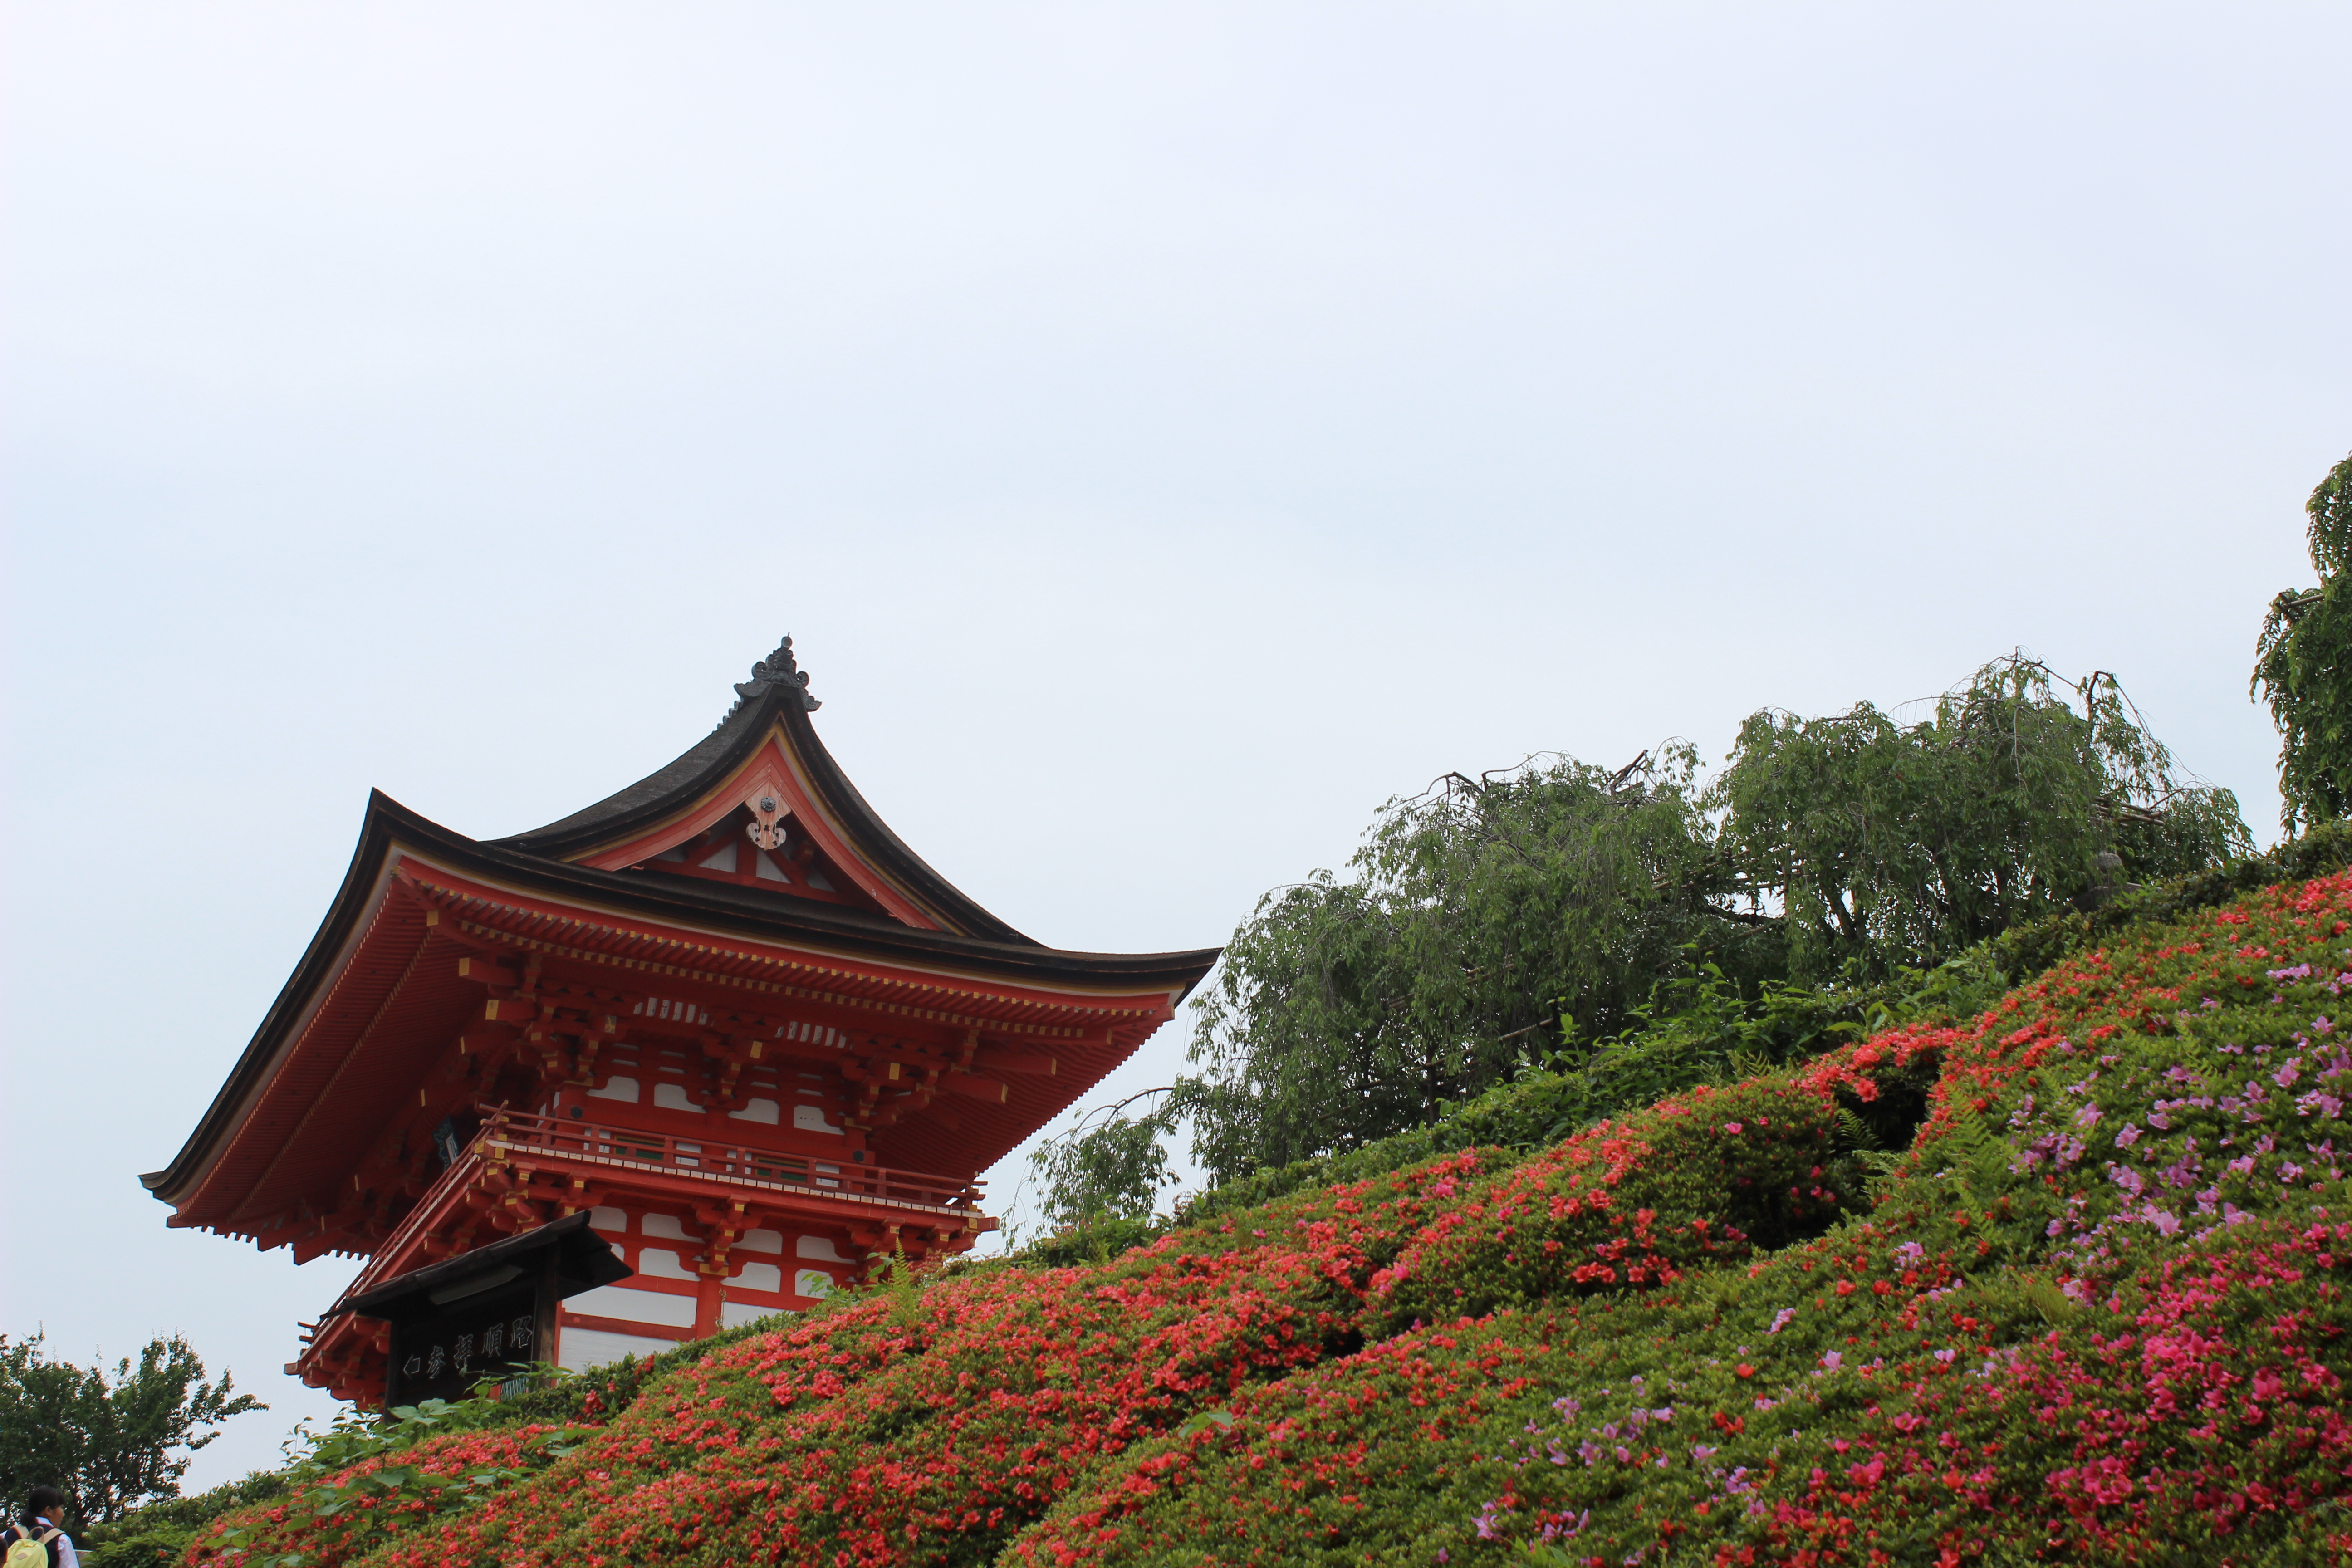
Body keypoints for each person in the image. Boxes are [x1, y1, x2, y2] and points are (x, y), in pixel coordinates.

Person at [8, 1488, 78, 1568]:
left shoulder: (6, 1535)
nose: (63, 1514)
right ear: (48, 1511)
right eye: (62, 1508)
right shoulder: (61, 1540)